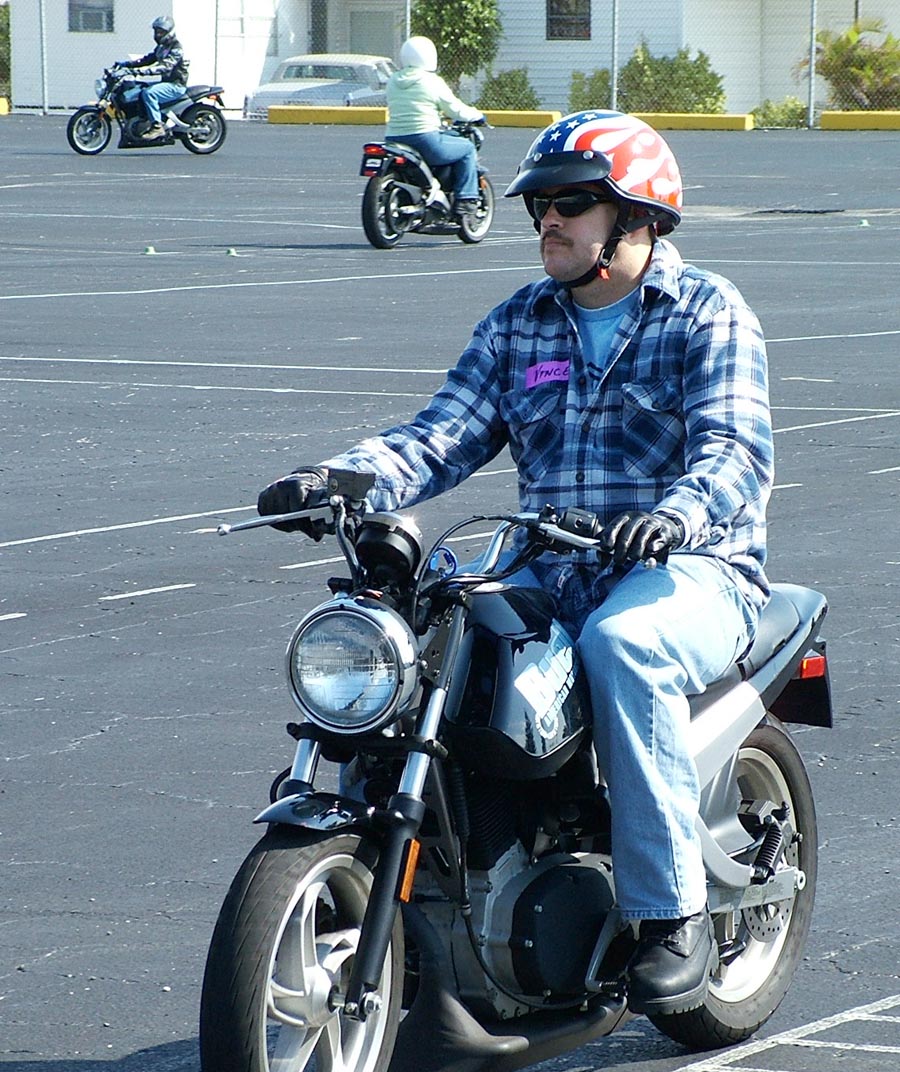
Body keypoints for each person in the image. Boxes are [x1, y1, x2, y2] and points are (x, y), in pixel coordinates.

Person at [257, 111, 772, 1017]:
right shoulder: (519, 323)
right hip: (552, 565)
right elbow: (440, 435)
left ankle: (670, 915)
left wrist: (672, 518)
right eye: (540, 205)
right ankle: (402, 874)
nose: (549, 220)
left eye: (572, 203)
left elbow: (735, 452)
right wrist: (337, 479)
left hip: (693, 567)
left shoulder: (705, 310)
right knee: (425, 635)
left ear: (636, 216)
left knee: (624, 645)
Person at [385, 35, 485, 216]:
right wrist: (477, 115)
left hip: (394, 139)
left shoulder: (393, 80)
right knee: (467, 148)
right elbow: (455, 109)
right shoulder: (431, 81)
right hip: (425, 140)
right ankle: (466, 199)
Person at [119, 15, 188, 140]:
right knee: (138, 88)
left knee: (149, 93)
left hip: (176, 85)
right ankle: (142, 119)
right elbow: (148, 59)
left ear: (169, 32)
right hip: (166, 83)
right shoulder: (162, 47)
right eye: (156, 31)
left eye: (161, 32)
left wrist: (142, 71)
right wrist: (126, 64)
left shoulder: (176, 48)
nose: (158, 34)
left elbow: (166, 67)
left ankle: (157, 127)